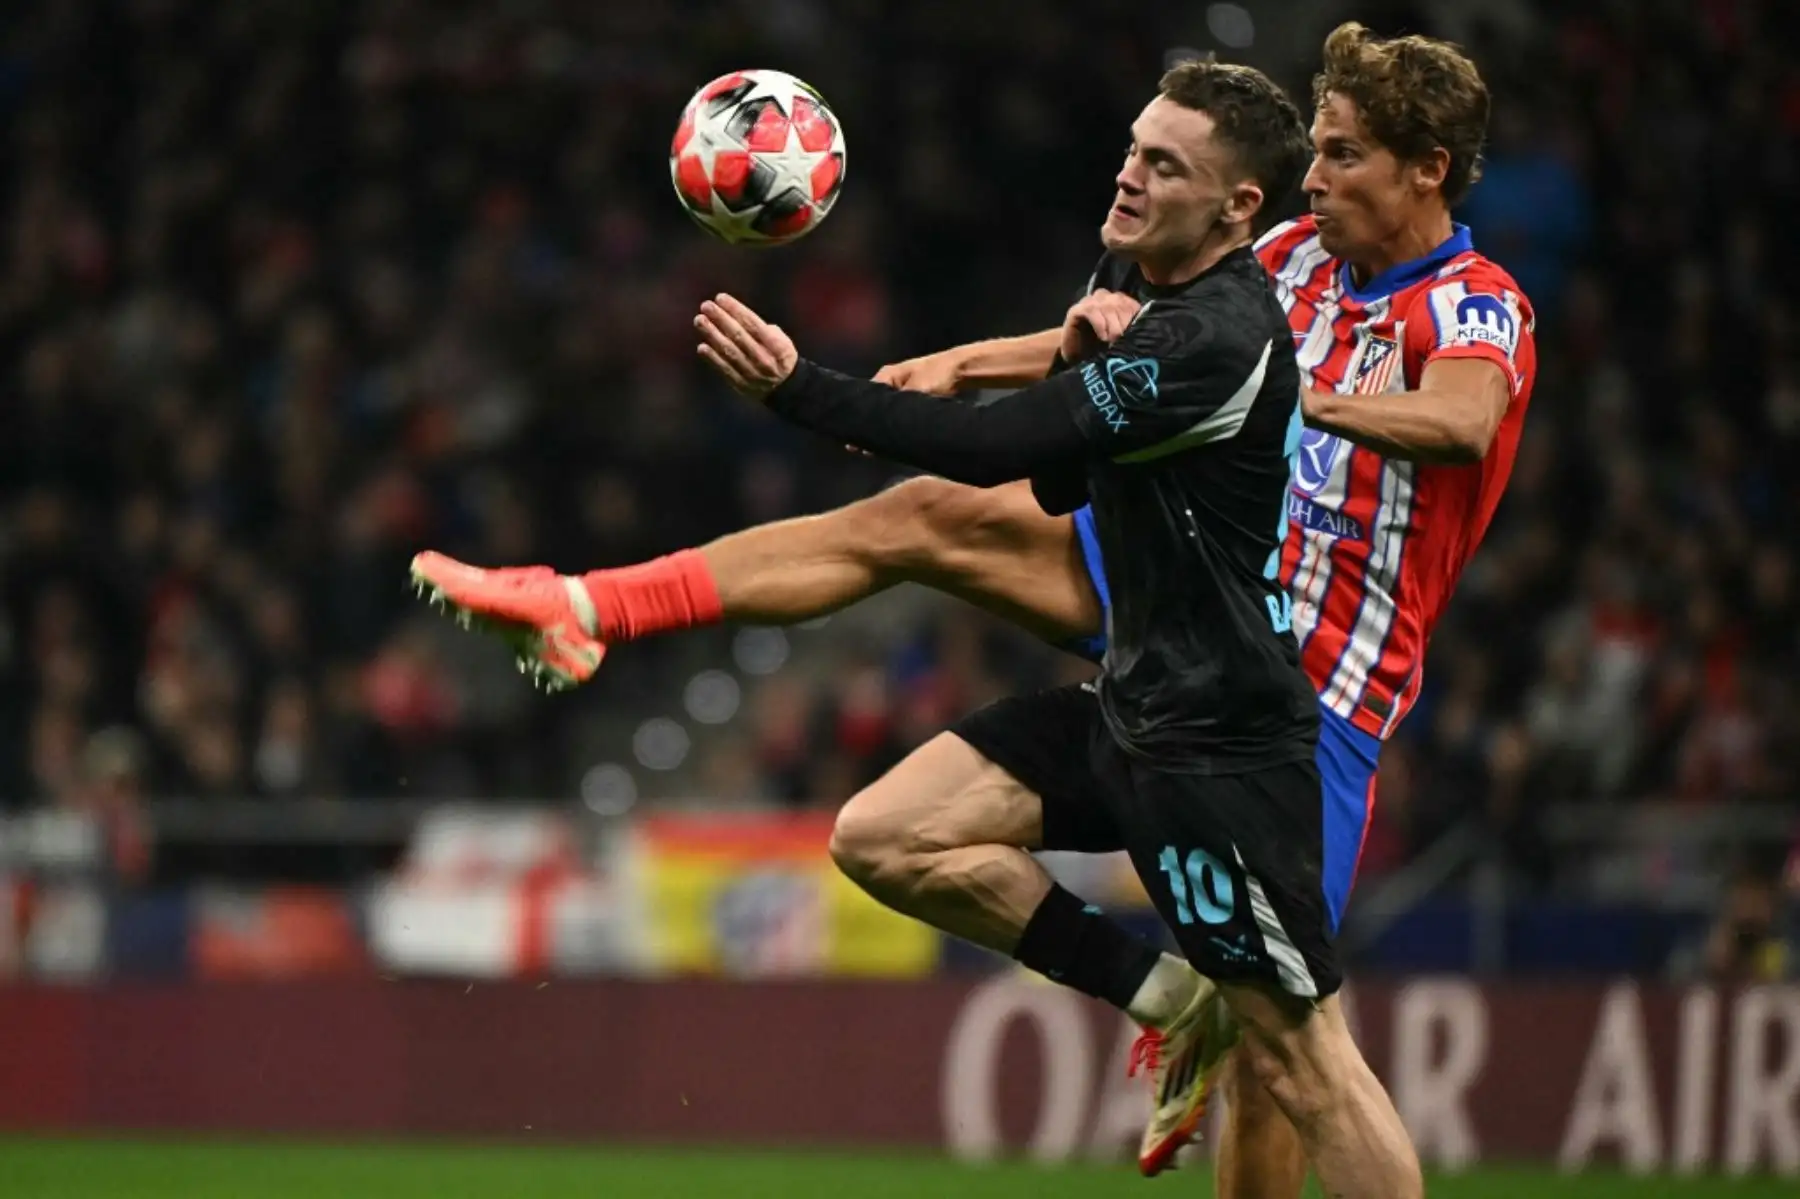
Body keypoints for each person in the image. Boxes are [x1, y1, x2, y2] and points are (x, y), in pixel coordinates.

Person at [415, 24, 1528, 1197]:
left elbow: (1457, 419)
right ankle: (591, 603)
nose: (1317, 175)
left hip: (1310, 689)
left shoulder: (1472, 307)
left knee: (1285, 1056)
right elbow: (1105, 362)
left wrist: (1282, 395)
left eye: (1346, 156)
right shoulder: (1286, 254)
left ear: (1427, 170)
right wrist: (966, 363)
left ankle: (1210, 1033)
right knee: (915, 523)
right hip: (1176, 591)